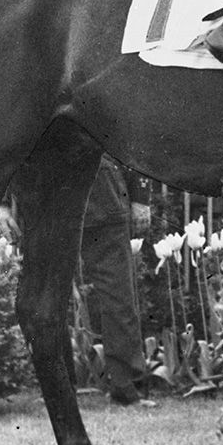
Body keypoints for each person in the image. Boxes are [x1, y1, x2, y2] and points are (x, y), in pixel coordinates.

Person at [79, 155, 151, 405]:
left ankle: (126, 388)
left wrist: (141, 198)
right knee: (47, 303)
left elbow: (134, 138)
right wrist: (3, 203)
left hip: (105, 203)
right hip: (49, 205)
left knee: (119, 300)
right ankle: (55, 389)